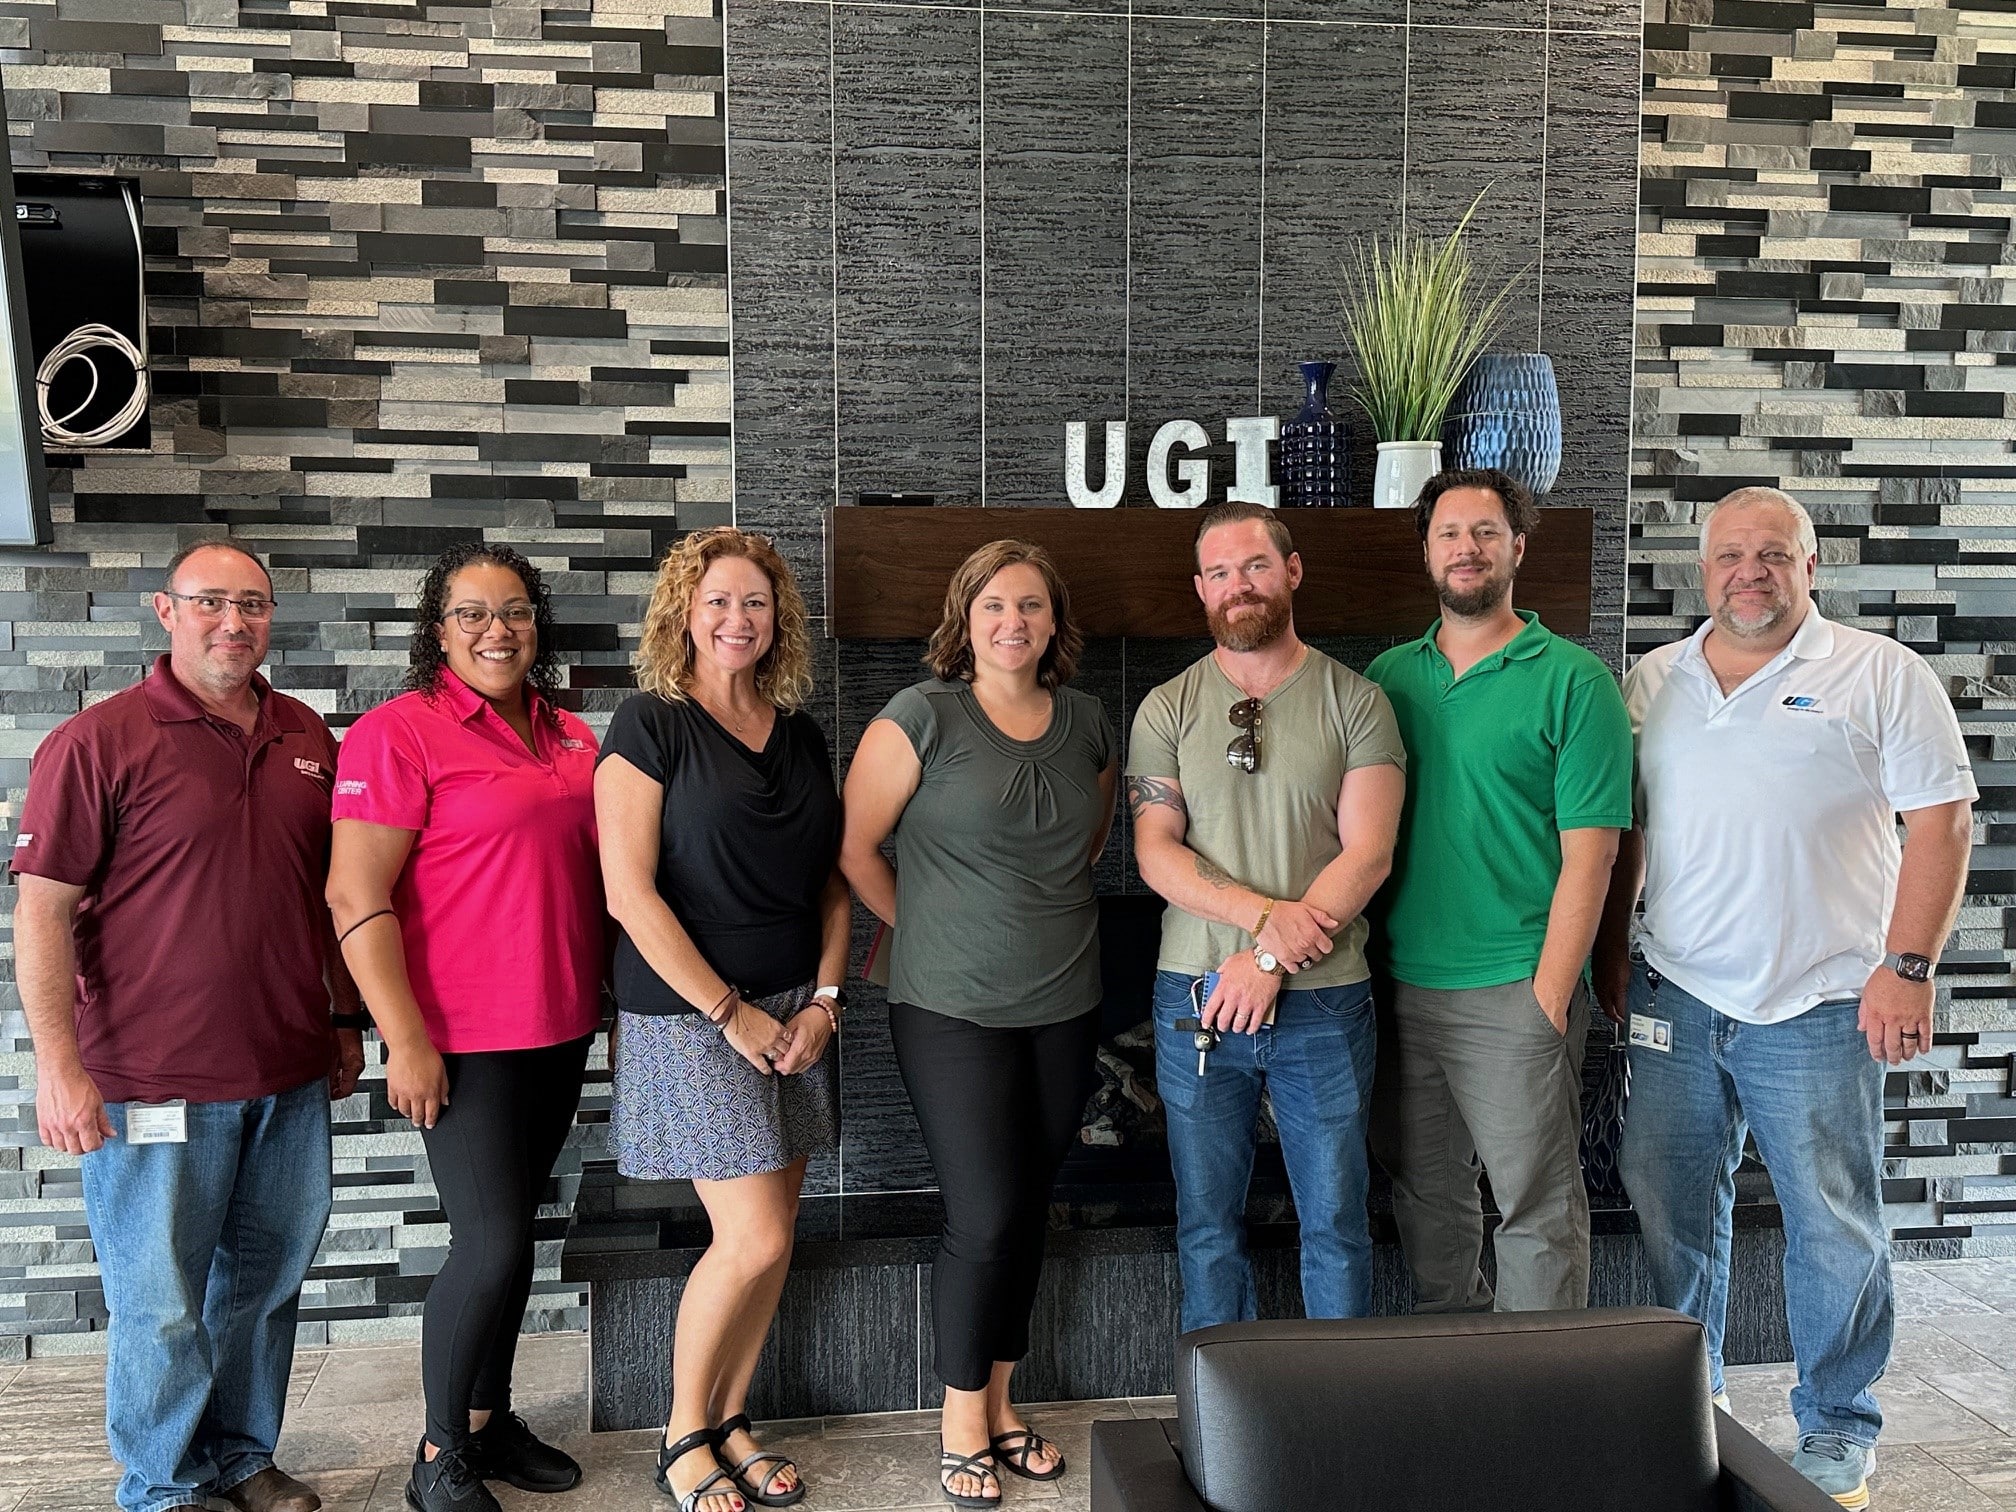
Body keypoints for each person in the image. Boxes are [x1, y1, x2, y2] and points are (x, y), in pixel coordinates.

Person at [1595, 486, 1976, 1510]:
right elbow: (1628, 832)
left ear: (1812, 567)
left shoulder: (1877, 673)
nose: (1749, 572)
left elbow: (1941, 825)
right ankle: (1692, 1403)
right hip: (1677, 989)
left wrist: (1908, 967)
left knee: (1831, 1220)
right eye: (1730, 555)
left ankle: (1838, 1430)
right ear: (1702, 567)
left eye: (1774, 554)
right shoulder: (1654, 680)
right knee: (1670, 1205)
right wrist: (1613, 955)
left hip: (1822, 1002)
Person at [14, 541, 364, 1512]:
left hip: (289, 1075)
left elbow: (330, 895)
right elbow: (41, 911)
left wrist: (343, 1018)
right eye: (211, 602)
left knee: (266, 1284)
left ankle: (243, 1457)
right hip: (152, 1082)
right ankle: (165, 1487)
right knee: (161, 1302)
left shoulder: (306, 736)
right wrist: (58, 1067)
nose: (234, 623)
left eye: (252, 604)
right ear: (166, 612)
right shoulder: (98, 742)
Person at [324, 543, 605, 1512]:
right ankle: (437, 1451)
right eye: (474, 614)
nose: (499, 630)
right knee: (487, 1244)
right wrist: (401, 1036)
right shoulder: (399, 735)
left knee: (515, 1235)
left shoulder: (572, 736)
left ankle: (488, 1421)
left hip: (559, 1026)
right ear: (437, 631)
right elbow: (354, 893)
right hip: (460, 1041)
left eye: (516, 611)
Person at [841, 540, 1116, 1510]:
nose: (1014, 622)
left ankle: (1002, 1404)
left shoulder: (1086, 722)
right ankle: (960, 1419)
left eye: (1032, 606)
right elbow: (857, 847)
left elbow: (1087, 841)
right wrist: (934, 927)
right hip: (948, 1006)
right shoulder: (922, 715)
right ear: (965, 619)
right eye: (995, 605)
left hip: (1065, 1000)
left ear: (1054, 622)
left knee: (1029, 1205)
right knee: (985, 1210)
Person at [596, 528, 845, 1512]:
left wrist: (827, 1000)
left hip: (796, 1013)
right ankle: (681, 1435)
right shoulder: (648, 725)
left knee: (776, 1237)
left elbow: (830, 881)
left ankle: (732, 1418)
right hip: (694, 1019)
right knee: (744, 1236)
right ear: (683, 615)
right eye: (718, 602)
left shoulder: (801, 732)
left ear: (778, 618)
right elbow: (629, 892)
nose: (737, 619)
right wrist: (727, 1011)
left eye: (755, 602)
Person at [1128, 501, 1406, 1332]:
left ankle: (1335, 1422)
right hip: (1196, 995)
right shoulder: (1165, 709)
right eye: (1219, 572)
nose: (1237, 585)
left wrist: (1271, 961)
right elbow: (1155, 850)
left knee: (1337, 1225)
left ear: (1291, 572)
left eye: (1255, 565)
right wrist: (1260, 925)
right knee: (1207, 1227)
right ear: (1200, 589)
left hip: (1324, 1001)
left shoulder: (1358, 702)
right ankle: (1223, 1418)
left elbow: (1369, 855)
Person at [1366, 468, 1632, 1315]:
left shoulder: (1574, 681)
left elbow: (1594, 857)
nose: (1466, 548)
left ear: (1518, 546)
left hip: (1517, 987)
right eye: (1449, 533)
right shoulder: (1387, 677)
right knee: (1427, 1197)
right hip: (1404, 989)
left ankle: (1540, 1402)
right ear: (1427, 553)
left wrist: (1551, 996)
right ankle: (1458, 1378)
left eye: (1485, 531)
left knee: (1537, 1209)